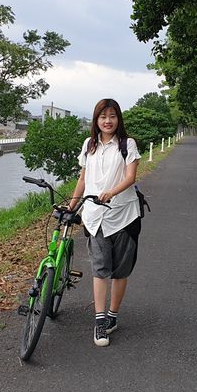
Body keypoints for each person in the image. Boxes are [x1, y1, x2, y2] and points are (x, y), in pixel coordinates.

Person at [68, 98, 141, 347]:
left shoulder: (127, 144)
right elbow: (82, 179)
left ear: (118, 119)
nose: (107, 121)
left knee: (120, 271)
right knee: (100, 269)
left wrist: (111, 192)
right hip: (94, 216)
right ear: (96, 120)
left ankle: (112, 315)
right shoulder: (89, 145)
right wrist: (72, 205)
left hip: (123, 215)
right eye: (102, 117)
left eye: (112, 116)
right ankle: (99, 321)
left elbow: (131, 176)